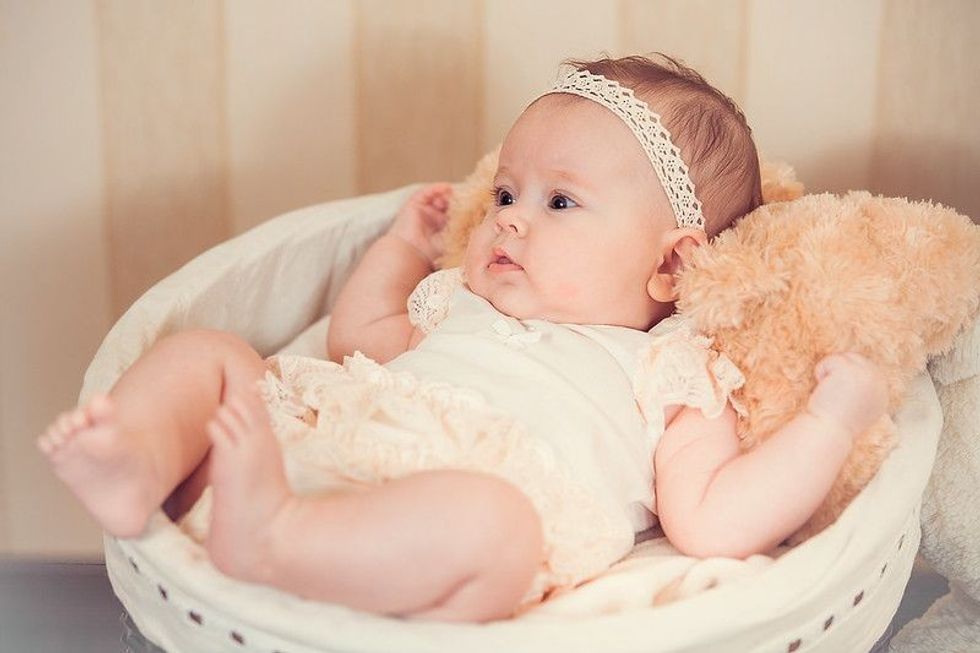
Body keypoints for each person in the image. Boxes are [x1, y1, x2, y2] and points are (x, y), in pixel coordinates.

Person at [37, 55, 888, 623]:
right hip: (336, 441)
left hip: (451, 519)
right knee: (214, 356)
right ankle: (137, 458)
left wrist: (831, 422)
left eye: (559, 203)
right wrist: (402, 251)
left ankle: (279, 538)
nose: (509, 219)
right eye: (509, 192)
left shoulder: (673, 370)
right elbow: (354, 339)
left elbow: (714, 518)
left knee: (494, 527)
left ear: (671, 268)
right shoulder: (457, 296)